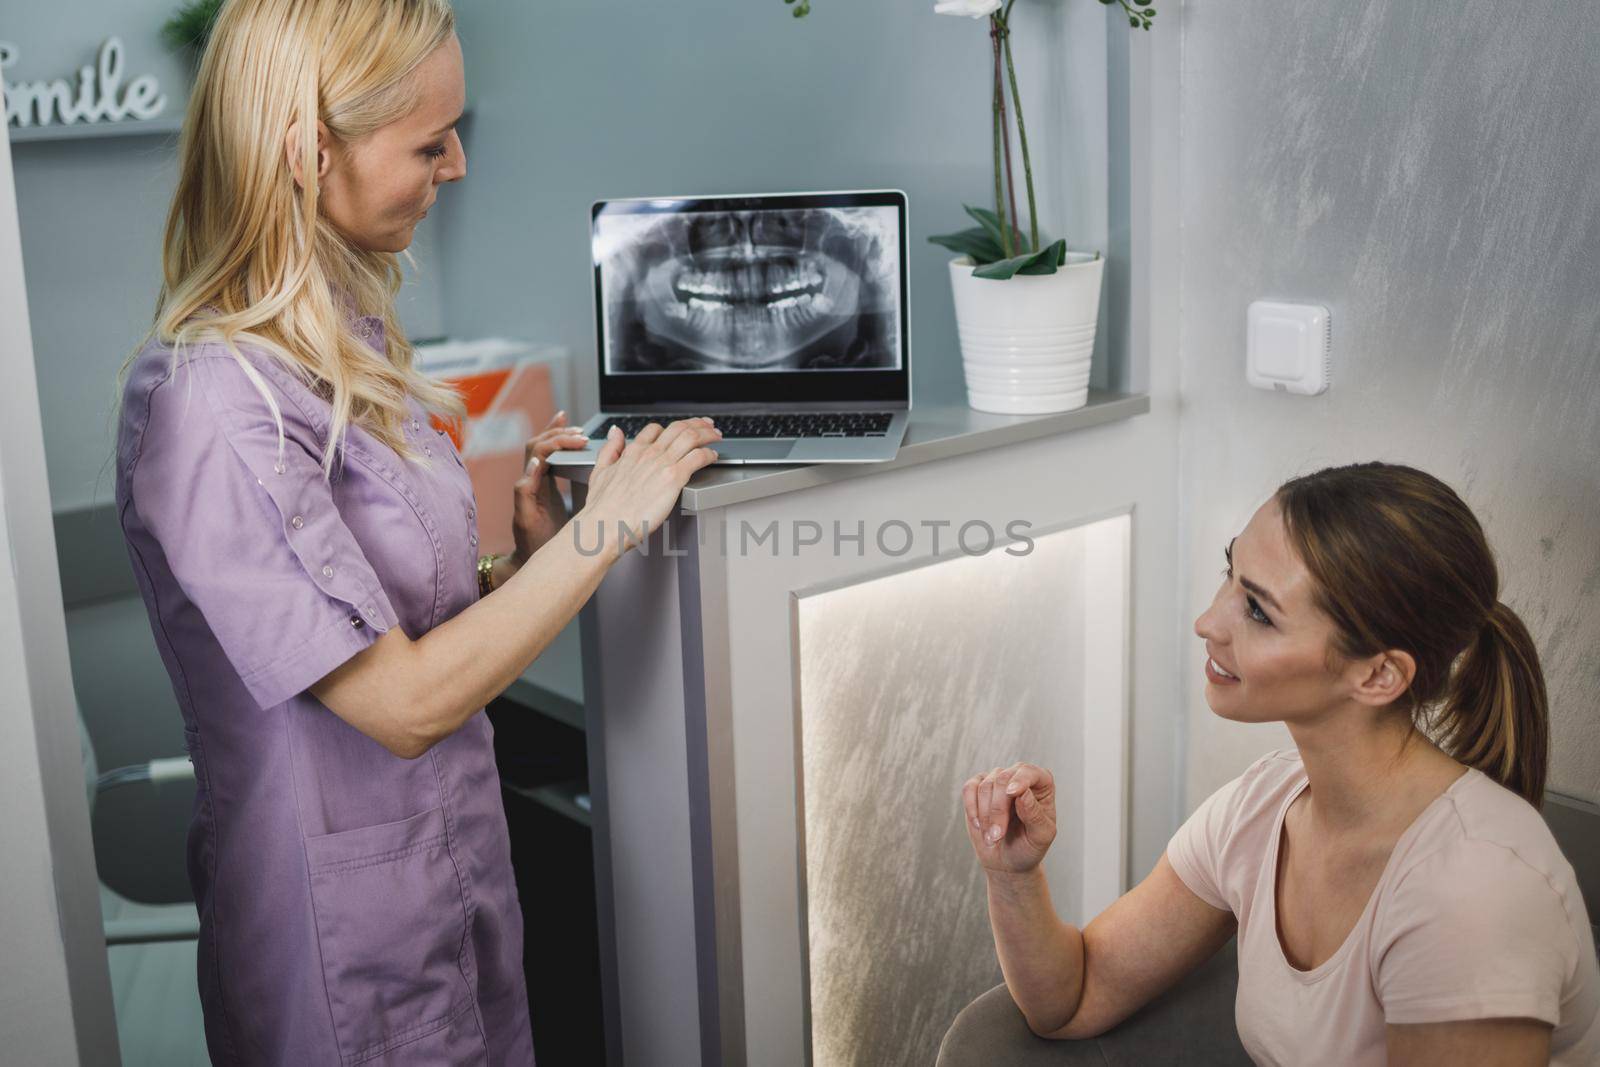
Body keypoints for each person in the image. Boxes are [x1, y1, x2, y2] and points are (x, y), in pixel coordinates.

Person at [113, 1, 720, 1062]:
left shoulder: (344, 348)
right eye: (428, 143)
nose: (458, 167)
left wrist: (518, 560)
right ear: (304, 155)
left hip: (451, 874)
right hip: (339, 941)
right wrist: (604, 535)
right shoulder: (214, 402)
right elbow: (396, 704)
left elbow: (397, 621)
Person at [958, 462, 1599, 1065]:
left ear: (1378, 674)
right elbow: (1075, 997)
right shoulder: (1262, 806)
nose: (1208, 621)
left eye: (1259, 611)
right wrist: (1013, 874)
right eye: (1229, 572)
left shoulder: (1473, 890)